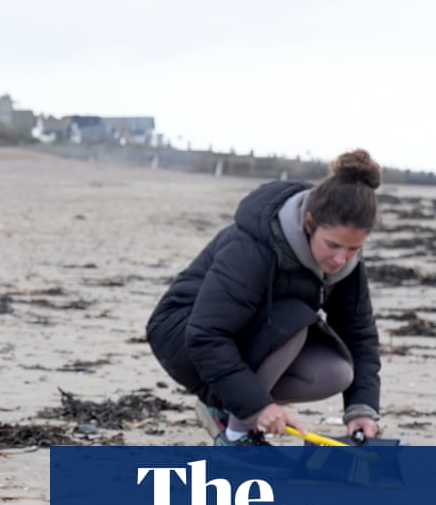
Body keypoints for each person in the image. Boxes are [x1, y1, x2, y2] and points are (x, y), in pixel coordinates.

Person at [146, 149, 384, 446]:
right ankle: (236, 434)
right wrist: (259, 407)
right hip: (181, 331)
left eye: (353, 249)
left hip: (246, 337)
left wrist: (362, 410)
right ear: (309, 224)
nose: (340, 259)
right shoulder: (255, 244)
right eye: (333, 245)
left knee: (335, 372)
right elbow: (206, 333)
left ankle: (227, 404)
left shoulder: (345, 264)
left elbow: (358, 333)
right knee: (293, 323)